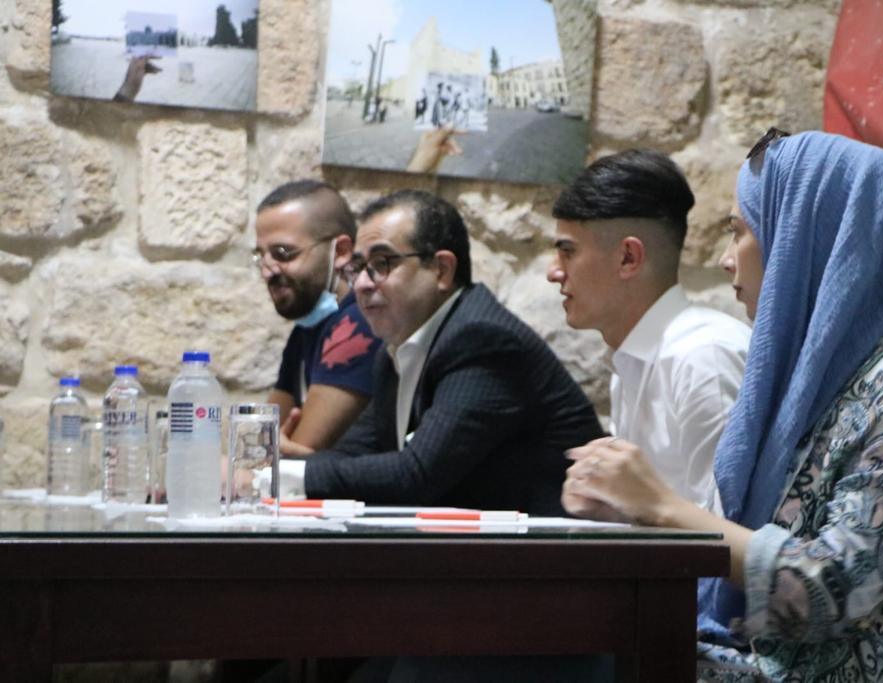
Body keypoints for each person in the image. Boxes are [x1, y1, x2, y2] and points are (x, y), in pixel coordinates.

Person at [563, 131, 883, 681]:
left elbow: (834, 590)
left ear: (805, 240)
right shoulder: (799, 383)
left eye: (739, 232)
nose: (726, 260)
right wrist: (631, 508)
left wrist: (659, 507)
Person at [285, 189, 603, 515]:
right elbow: (356, 454)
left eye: (381, 263)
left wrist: (284, 476)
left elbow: (416, 474)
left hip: (555, 543)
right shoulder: (395, 349)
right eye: (357, 267)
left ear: (442, 270)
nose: (363, 284)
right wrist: (278, 468)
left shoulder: (482, 340)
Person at [548, 149, 750, 514]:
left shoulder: (704, 359)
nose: (553, 272)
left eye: (568, 251)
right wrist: (608, 509)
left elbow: (730, 532)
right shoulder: (630, 359)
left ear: (628, 258)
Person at [254, 180, 381, 457]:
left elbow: (291, 455)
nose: (267, 271)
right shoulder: (306, 327)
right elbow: (259, 445)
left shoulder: (358, 324)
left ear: (342, 251)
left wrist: (265, 453)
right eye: (260, 256)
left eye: (283, 253)